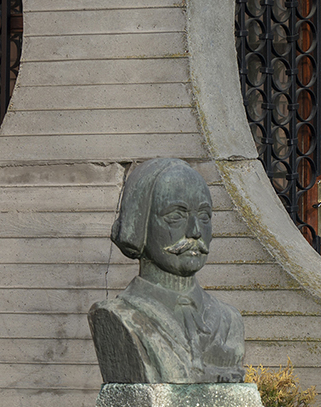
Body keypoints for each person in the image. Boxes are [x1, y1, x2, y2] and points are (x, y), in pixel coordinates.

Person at [88, 158, 245, 384]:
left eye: (204, 216)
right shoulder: (118, 316)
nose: (195, 231)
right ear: (139, 225)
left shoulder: (230, 320)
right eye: (176, 216)